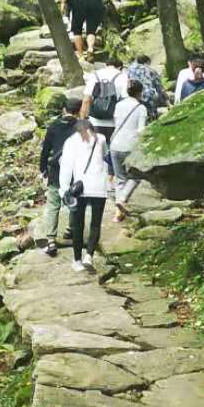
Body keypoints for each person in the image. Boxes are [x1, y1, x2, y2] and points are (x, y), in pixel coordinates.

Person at [58, 111, 113, 271]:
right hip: (99, 187)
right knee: (95, 224)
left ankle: (76, 261)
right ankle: (89, 255)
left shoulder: (71, 142)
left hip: (80, 188)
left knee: (78, 225)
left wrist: (64, 189)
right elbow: (104, 158)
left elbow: (66, 167)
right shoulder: (101, 139)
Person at [37, 94, 81, 257]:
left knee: (53, 205)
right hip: (75, 171)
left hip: (56, 170)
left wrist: (43, 169)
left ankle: (51, 241)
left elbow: (45, 150)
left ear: (64, 109)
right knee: (73, 201)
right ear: (79, 111)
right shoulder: (82, 127)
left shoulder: (54, 125)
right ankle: (70, 229)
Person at [110, 77, 149, 219]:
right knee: (136, 176)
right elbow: (141, 131)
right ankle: (122, 200)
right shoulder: (141, 108)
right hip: (130, 146)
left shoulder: (119, 105)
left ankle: (117, 214)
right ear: (140, 92)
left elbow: (116, 123)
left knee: (120, 178)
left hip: (115, 145)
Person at [81, 56, 122, 149]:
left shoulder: (95, 75)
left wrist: (82, 119)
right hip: (114, 121)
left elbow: (86, 99)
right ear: (120, 67)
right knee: (112, 149)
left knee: (96, 149)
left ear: (106, 65)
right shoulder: (122, 76)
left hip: (95, 120)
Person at [125, 50, 167, 119]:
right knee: (152, 117)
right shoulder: (150, 70)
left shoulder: (130, 70)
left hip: (135, 97)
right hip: (149, 98)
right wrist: (167, 101)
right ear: (146, 62)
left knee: (140, 118)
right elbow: (159, 86)